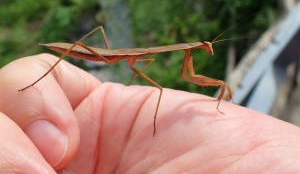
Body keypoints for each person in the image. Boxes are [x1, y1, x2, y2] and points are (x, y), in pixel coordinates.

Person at [0, 53, 300, 174]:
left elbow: (186, 76)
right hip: (98, 53)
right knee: (156, 89)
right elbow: (187, 77)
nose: (207, 50)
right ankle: (37, 81)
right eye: (205, 47)